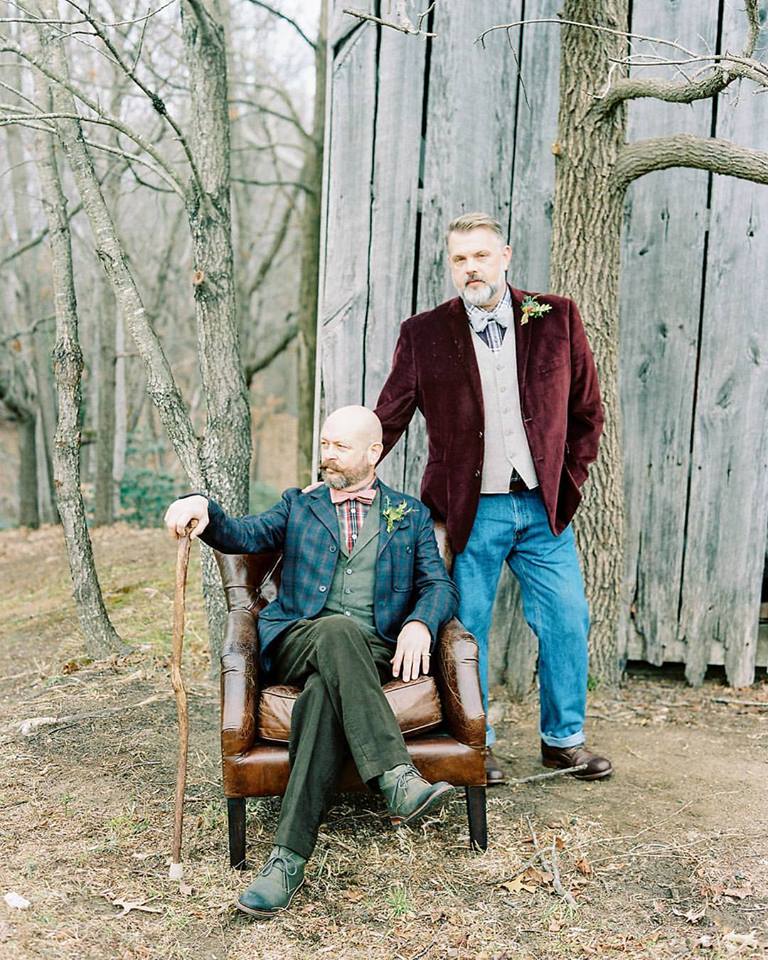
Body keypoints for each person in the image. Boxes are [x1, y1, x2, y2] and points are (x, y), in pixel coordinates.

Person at [164, 405, 459, 919]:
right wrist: (202, 507)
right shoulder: (300, 505)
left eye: (339, 446)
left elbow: (438, 585)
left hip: (370, 651)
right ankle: (395, 776)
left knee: (324, 695)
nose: (327, 455)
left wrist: (420, 623)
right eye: (324, 443)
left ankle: (286, 860)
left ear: (374, 452)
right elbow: (245, 536)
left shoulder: (408, 515)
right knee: (336, 630)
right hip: (299, 638)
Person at [375, 212, 612, 786]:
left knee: (565, 619)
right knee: (468, 628)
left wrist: (570, 480)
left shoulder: (557, 317)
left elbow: (587, 411)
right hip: (468, 514)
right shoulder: (424, 333)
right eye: (460, 258)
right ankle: (476, 745)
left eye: (481, 255)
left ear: (504, 256)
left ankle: (564, 741)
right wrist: (340, 467)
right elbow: (390, 414)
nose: (471, 267)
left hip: (541, 509)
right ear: (450, 266)